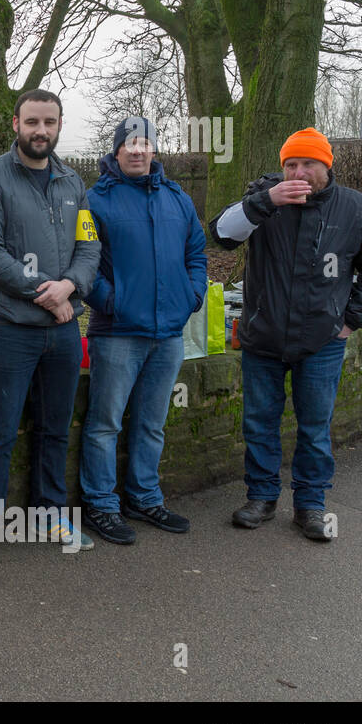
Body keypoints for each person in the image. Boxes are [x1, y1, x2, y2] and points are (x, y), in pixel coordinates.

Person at [211, 127, 362, 540]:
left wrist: (351, 320)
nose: (300, 172)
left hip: (321, 340)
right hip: (263, 337)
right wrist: (263, 203)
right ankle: (262, 497)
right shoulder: (264, 198)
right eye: (292, 164)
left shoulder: (354, 207)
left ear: (327, 165)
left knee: (314, 426)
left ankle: (310, 505)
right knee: (259, 423)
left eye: (309, 163)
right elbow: (218, 235)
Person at [0, 88, 101, 563]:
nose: (41, 131)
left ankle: (50, 515)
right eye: (33, 122)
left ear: (60, 125)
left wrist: (71, 286)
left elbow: (90, 247)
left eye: (50, 122)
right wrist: (50, 291)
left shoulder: (72, 183)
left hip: (63, 330)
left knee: (55, 428)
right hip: (8, 327)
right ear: (15, 124)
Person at [79, 117, 206, 544]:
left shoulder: (178, 199)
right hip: (116, 333)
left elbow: (196, 252)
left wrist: (193, 294)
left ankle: (144, 497)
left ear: (154, 150)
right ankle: (101, 504)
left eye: (144, 143)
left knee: (152, 423)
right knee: (105, 424)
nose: (136, 151)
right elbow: (83, 262)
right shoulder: (94, 200)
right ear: (116, 151)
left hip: (167, 334)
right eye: (128, 144)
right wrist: (111, 301)